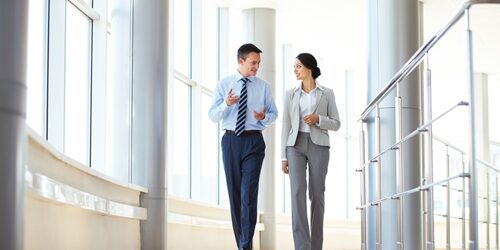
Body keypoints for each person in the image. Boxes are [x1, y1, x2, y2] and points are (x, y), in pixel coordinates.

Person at [209, 43, 278, 250]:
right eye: (253, 63)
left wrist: (263, 116)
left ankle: (245, 245)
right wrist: (226, 104)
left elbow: (274, 114)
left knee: (249, 193)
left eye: (258, 63)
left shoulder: (263, 86)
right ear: (241, 61)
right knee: (235, 194)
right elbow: (213, 115)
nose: (256, 67)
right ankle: (243, 244)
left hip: (254, 141)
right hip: (230, 141)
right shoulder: (224, 84)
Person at [281, 53, 341, 250]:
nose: (295, 70)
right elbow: (286, 125)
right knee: (297, 192)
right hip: (295, 146)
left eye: (298, 66)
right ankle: (302, 246)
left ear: (309, 68)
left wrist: (318, 119)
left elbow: (336, 123)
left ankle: (316, 246)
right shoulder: (290, 94)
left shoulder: (327, 93)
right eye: (294, 66)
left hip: (319, 146)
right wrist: (284, 155)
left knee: (317, 194)